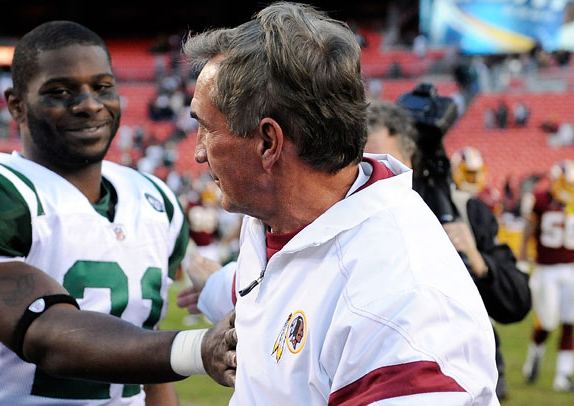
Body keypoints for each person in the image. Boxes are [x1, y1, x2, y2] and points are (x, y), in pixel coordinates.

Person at [0, 21, 236, 406]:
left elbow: (147, 360)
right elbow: (47, 335)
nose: (89, 104)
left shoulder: (152, 199)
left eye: (102, 87)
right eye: (60, 91)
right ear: (15, 104)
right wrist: (197, 348)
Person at [183, 3, 498, 405]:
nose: (197, 153)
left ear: (268, 143)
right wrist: (206, 278)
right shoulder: (283, 215)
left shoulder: (394, 301)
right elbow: (270, 289)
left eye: (206, 129)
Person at [368, 104, 530, 400]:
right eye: (365, 163)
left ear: (411, 158)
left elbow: (517, 302)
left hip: (466, 377)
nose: (377, 173)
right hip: (380, 379)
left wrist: (479, 262)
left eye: (387, 161)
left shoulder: (463, 210)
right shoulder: (345, 219)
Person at [520, 159, 574, 392]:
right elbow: (529, 229)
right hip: (547, 269)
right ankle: (534, 358)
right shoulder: (541, 200)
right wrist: (522, 257)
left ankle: (563, 376)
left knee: (570, 323)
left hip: (571, 268)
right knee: (547, 322)